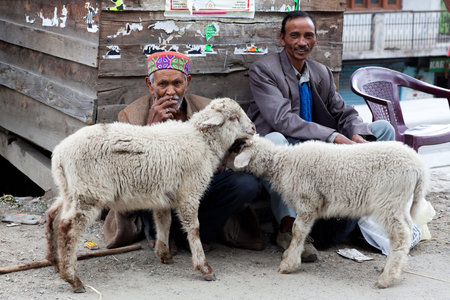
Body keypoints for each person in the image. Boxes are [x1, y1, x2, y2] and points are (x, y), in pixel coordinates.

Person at [247, 11, 395, 261]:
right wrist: (333, 137)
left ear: (315, 40)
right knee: (274, 142)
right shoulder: (264, 70)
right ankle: (289, 229)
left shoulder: (321, 72)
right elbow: (283, 119)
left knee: (382, 130)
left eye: (308, 36)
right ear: (282, 39)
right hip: (289, 145)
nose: (302, 42)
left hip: (318, 148)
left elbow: (344, 111)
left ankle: (367, 211)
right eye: (294, 36)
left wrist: (357, 134)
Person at [103, 51, 265, 253]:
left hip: (198, 187)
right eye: (162, 84)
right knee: (139, 182)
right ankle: (158, 231)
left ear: (187, 82)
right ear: (150, 84)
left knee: (246, 184)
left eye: (177, 84)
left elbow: (239, 140)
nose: (170, 91)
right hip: (155, 188)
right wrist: (150, 128)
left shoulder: (209, 109)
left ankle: (202, 231)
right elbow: (128, 168)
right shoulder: (131, 114)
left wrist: (226, 155)